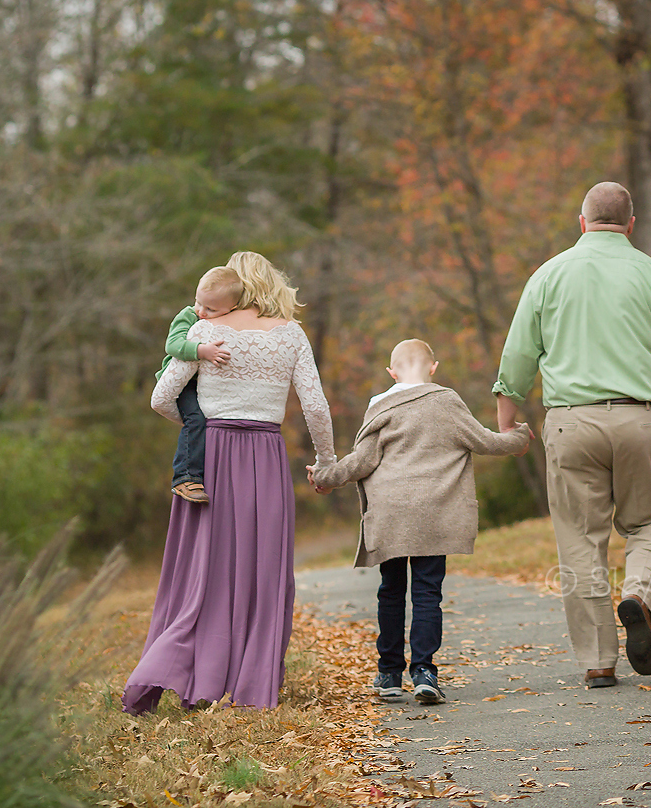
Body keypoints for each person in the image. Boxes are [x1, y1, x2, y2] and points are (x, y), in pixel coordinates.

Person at [493, 182, 651, 688]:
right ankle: (638, 594)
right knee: (650, 525)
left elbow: (517, 357)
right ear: (631, 224)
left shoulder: (548, 276)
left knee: (579, 540)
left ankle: (598, 661)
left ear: (582, 221)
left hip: (572, 423)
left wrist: (507, 420)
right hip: (645, 421)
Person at [125, 251, 336, 714]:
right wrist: (325, 462)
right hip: (265, 456)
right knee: (261, 570)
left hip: (211, 460)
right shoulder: (291, 335)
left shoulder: (204, 331)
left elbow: (162, 397)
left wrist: (198, 426)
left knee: (204, 569)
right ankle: (251, 681)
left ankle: (188, 673)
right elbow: (316, 408)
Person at [309, 339, 531, 705]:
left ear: (391, 372)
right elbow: (485, 441)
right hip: (435, 514)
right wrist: (519, 437)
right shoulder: (447, 401)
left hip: (391, 514)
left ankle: (389, 673)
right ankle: (425, 672)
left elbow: (361, 461)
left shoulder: (380, 406)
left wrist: (325, 476)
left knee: (391, 592)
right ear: (433, 367)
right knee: (428, 593)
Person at [159, 266, 241, 503]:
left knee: (210, 420)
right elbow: (172, 344)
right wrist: (201, 350)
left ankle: (211, 474)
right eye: (199, 302)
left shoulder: (230, 323)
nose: (201, 311)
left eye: (210, 308)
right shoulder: (188, 315)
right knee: (195, 419)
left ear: (232, 309)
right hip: (183, 385)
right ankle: (184, 477)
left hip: (205, 385)